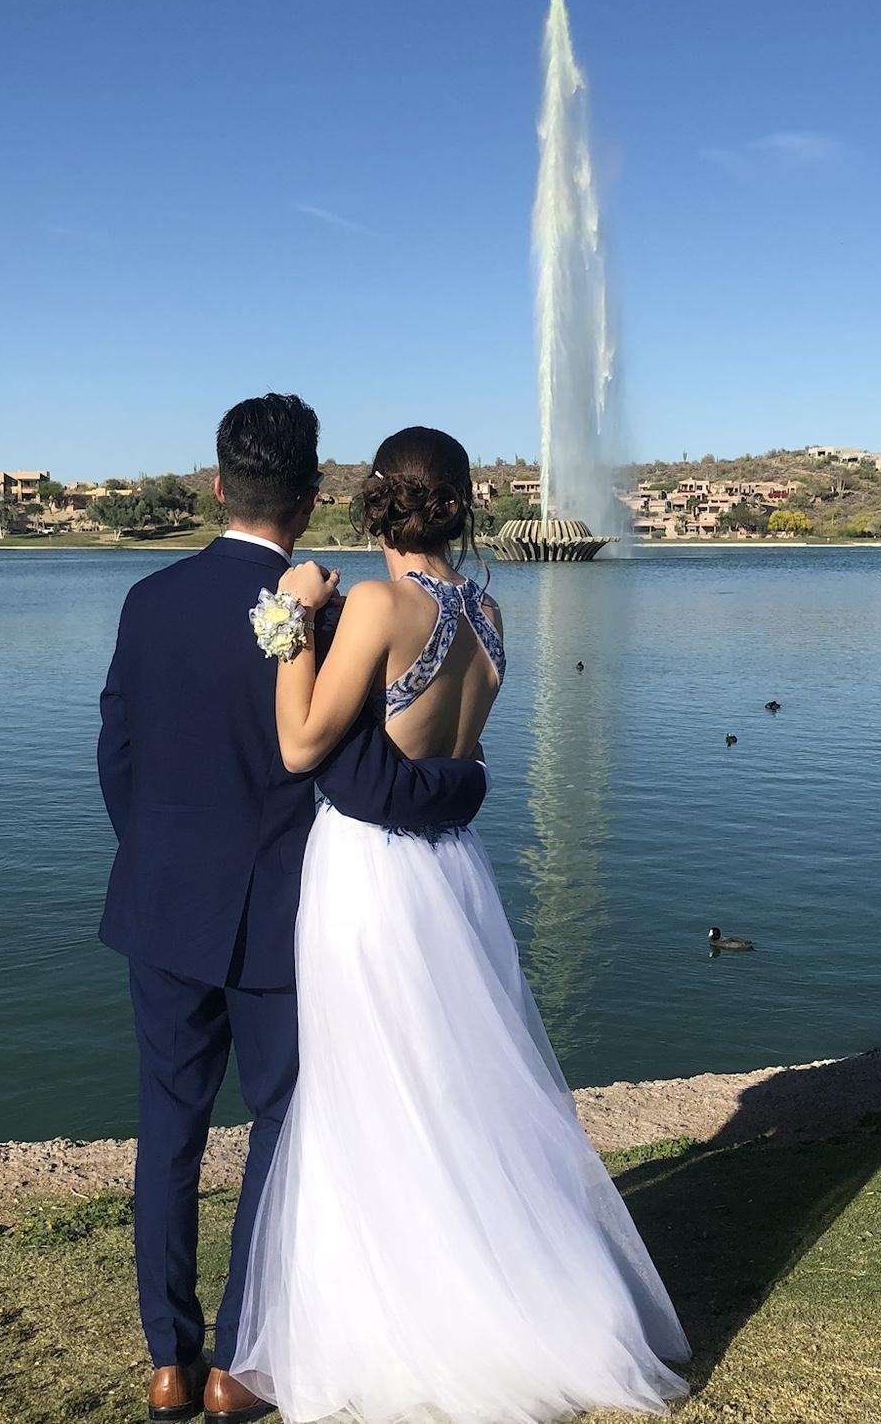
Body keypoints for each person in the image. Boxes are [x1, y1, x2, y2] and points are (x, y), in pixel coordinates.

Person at [230, 426, 691, 1424]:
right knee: (453, 1080)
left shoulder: (377, 605)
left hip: (367, 874)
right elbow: (453, 749)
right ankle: (506, 1288)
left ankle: (404, 1318)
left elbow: (301, 744)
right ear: (460, 505)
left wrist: (288, 618)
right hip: (453, 872)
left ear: (377, 500)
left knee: (367, 1082)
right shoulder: (486, 610)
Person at [96, 396, 489, 1424]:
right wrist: (464, 786)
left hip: (163, 906)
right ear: (311, 498)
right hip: (287, 911)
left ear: (217, 486)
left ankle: (169, 1360)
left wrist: (159, 859)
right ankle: (241, 1360)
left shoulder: (148, 600)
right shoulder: (332, 611)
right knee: (280, 1125)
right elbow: (364, 770)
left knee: (168, 1130)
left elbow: (118, 752)